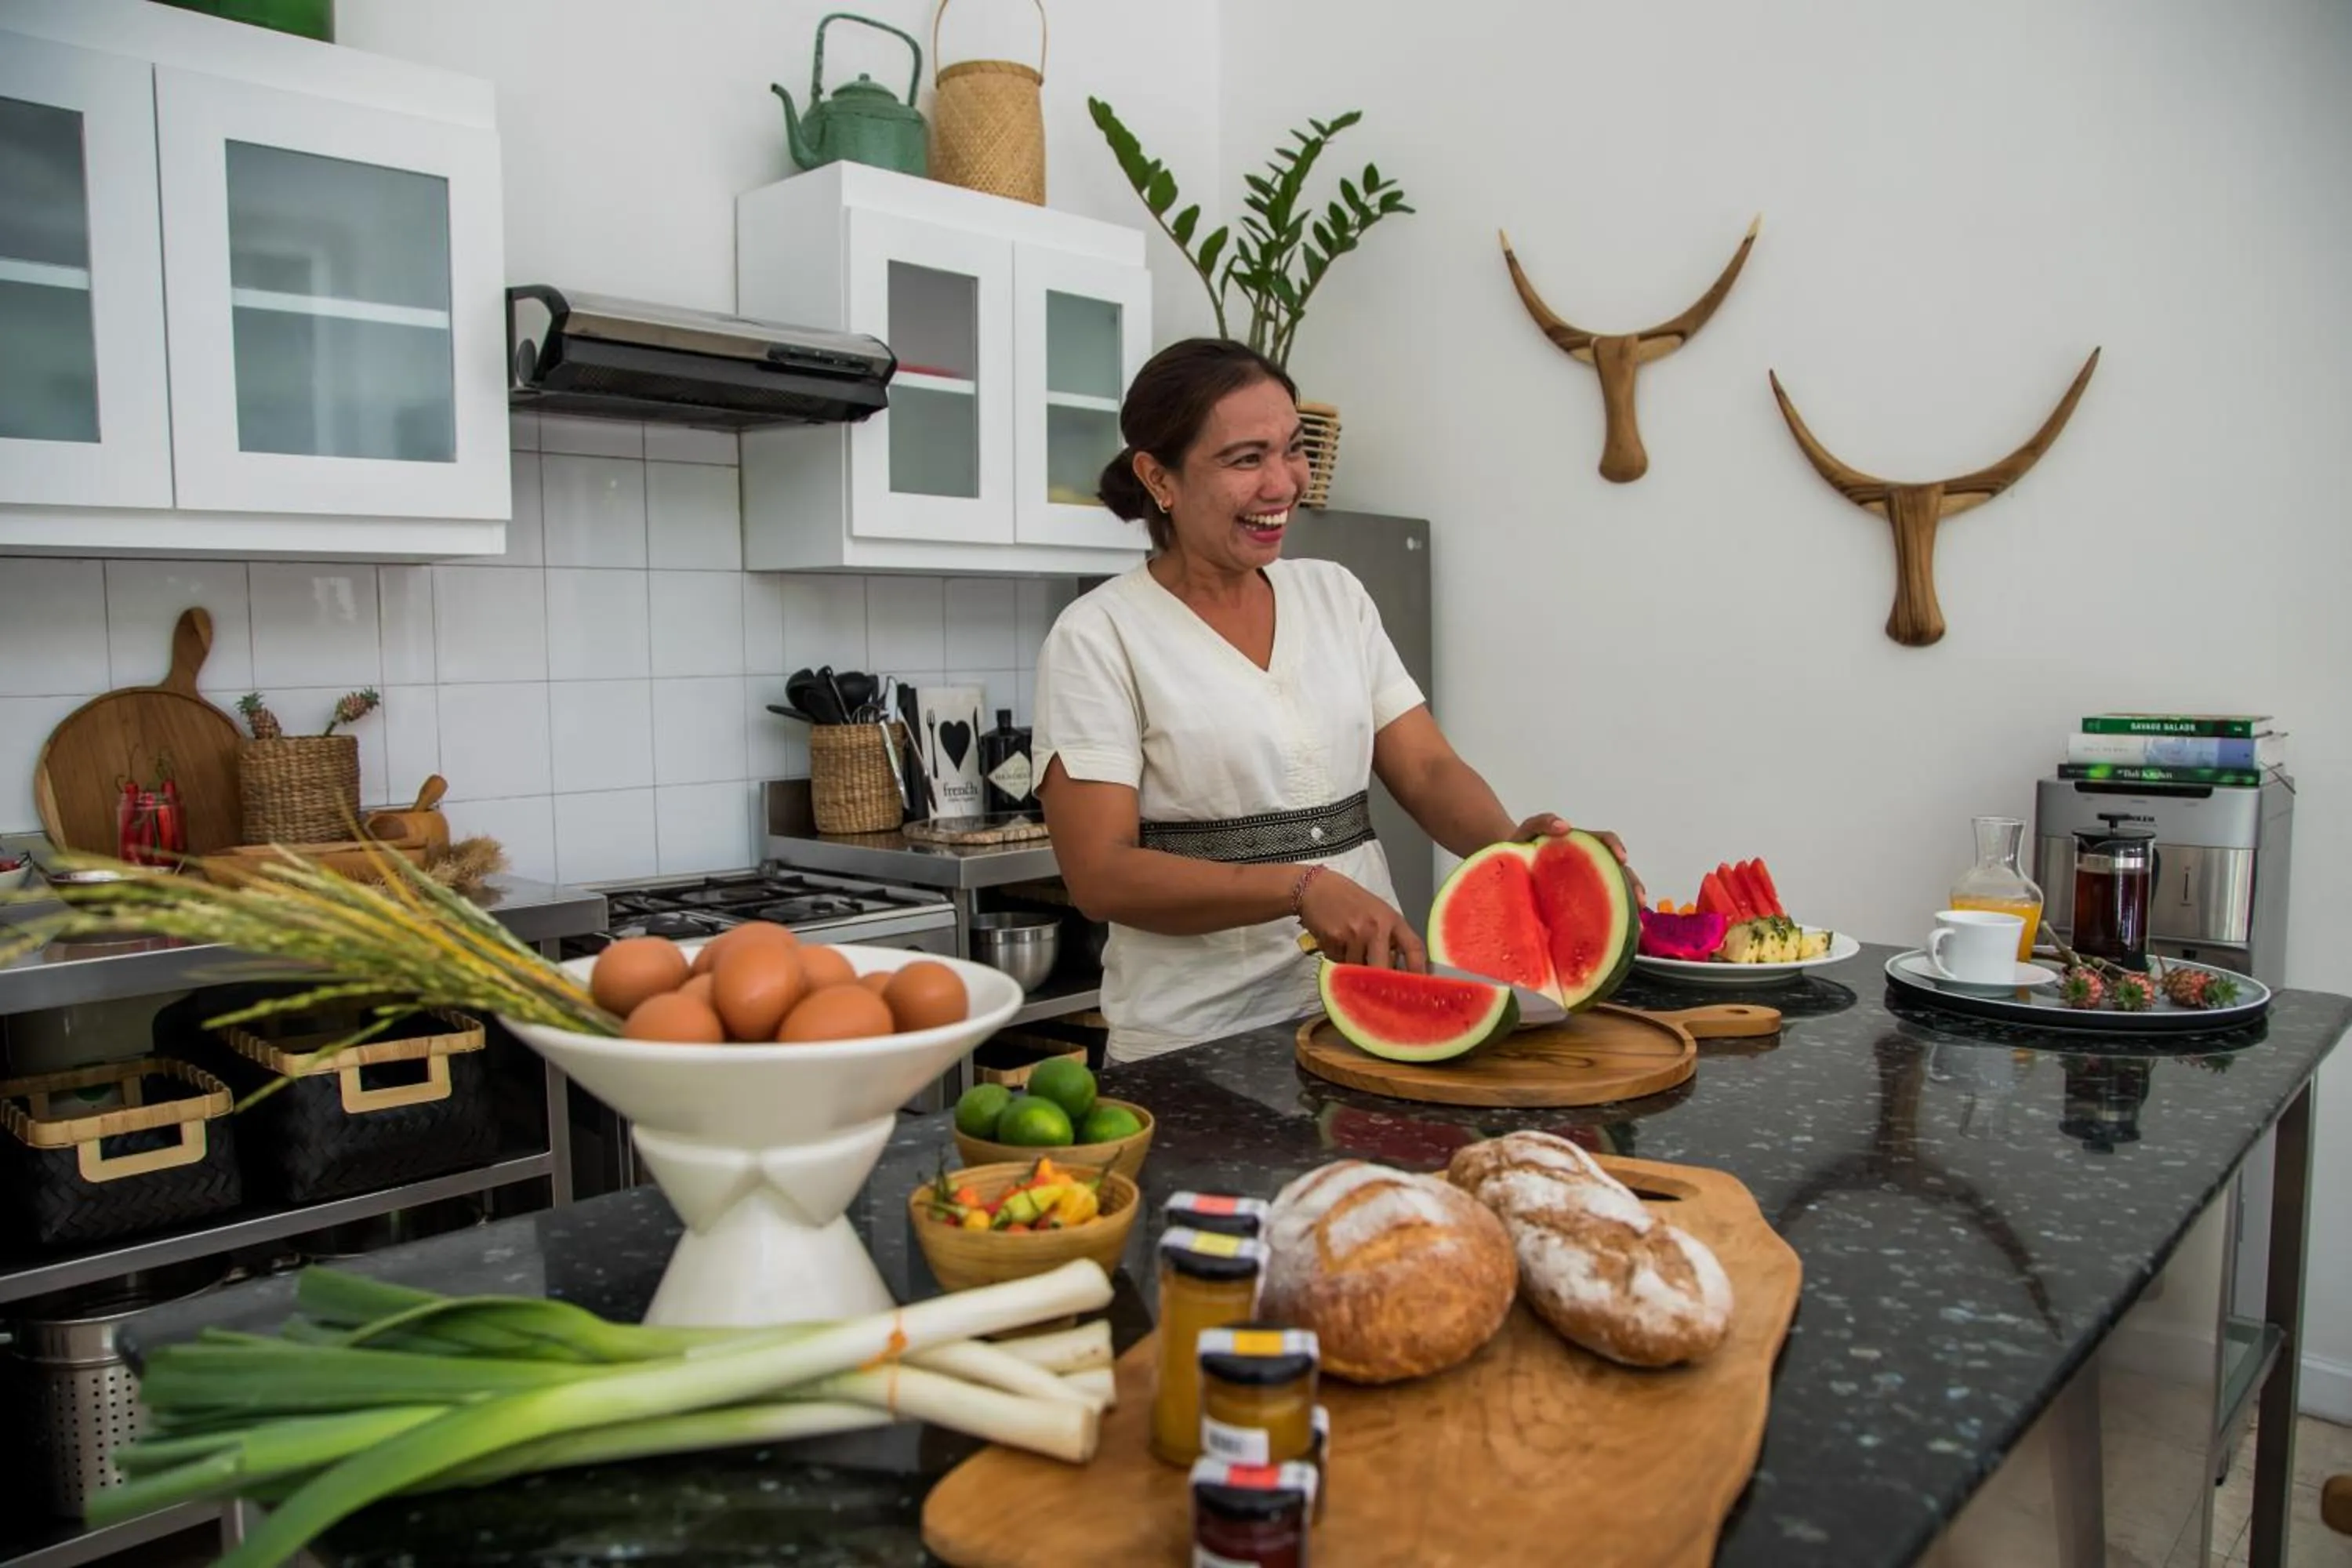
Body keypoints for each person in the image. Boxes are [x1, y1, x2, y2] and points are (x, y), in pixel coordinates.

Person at [1032, 339, 1639, 1065]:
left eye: (1291, 449)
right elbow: (1100, 874)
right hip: (1195, 1043)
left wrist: (1518, 855)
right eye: (1246, 459)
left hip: (1372, 1009)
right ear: (1158, 477)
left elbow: (1427, 770)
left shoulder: (1334, 595)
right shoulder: (1099, 637)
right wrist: (1301, 888)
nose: (1283, 482)